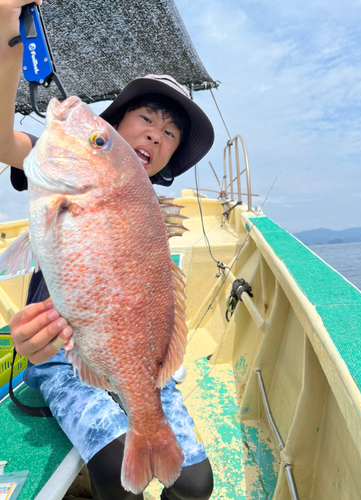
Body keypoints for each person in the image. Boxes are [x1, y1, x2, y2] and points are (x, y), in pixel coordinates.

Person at [0, 1, 215, 499]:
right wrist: (8, 35)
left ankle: (143, 409)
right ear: (117, 126)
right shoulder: (58, 168)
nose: (154, 135)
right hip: (59, 354)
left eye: (169, 133)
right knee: (120, 480)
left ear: (169, 156)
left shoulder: (148, 213)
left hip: (137, 362)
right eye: (146, 118)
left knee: (196, 484)